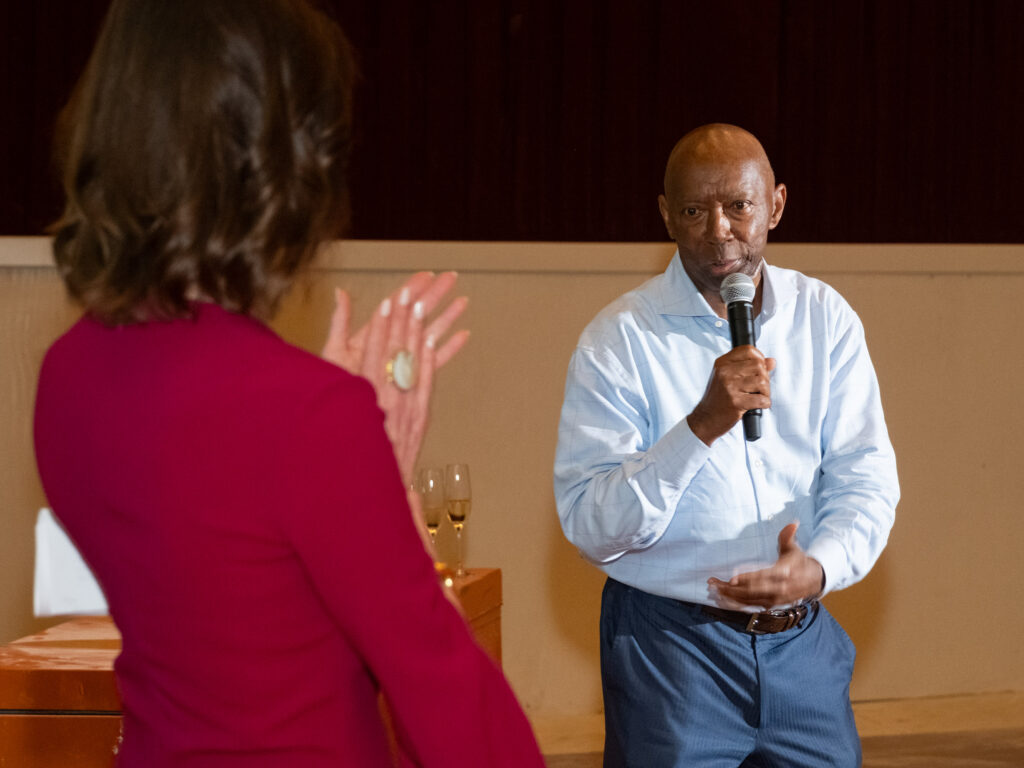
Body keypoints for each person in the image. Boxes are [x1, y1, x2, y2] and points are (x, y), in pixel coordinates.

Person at [33, 1, 544, 766]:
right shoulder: (310, 417)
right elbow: (449, 707)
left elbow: (234, 606)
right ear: (282, 166)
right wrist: (368, 486)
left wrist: (350, 478)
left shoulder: (66, 375)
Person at [554, 123, 899, 767]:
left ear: (776, 205)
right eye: (694, 209)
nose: (718, 230)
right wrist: (700, 427)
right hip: (671, 657)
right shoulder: (619, 340)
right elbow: (589, 524)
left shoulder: (825, 319)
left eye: (738, 206)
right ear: (665, 216)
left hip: (802, 652)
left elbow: (866, 479)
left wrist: (818, 567)